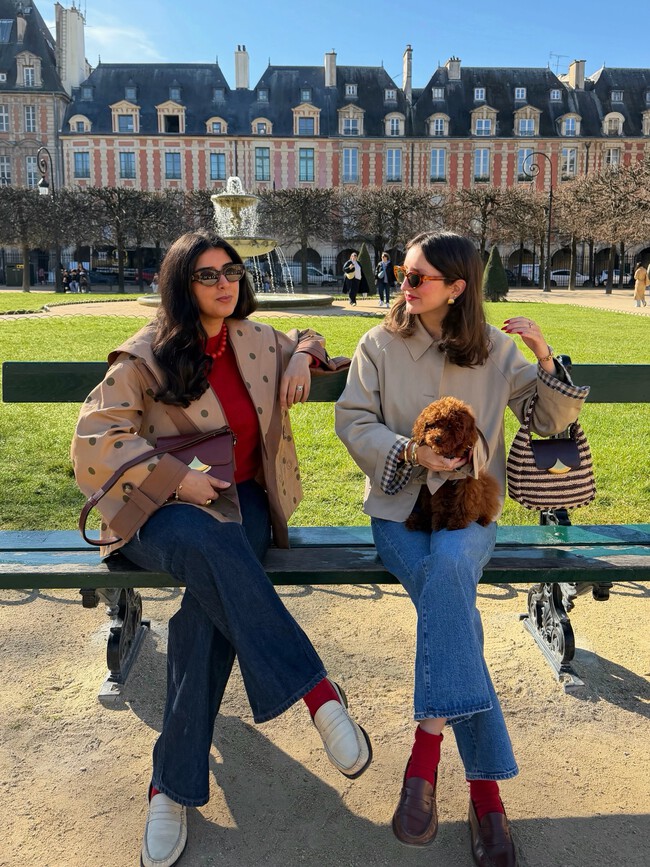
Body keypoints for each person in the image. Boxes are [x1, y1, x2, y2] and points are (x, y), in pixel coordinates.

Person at [71, 230, 371, 867]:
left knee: (205, 619)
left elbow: (312, 337)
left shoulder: (256, 339)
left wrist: (303, 354)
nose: (224, 284)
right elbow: (96, 437)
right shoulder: (147, 355)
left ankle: (169, 787)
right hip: (158, 511)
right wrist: (178, 479)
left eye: (231, 271)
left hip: (244, 503)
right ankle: (318, 695)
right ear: (182, 285)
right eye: (207, 275)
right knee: (208, 545)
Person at [335, 231, 589, 867]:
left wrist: (545, 356)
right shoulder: (378, 344)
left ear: (456, 287)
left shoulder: (498, 350)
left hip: (470, 513)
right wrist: (408, 452)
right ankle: (485, 795)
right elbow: (353, 419)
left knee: (449, 569)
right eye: (402, 273)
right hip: (398, 514)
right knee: (454, 606)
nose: (403, 285)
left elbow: (549, 420)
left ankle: (426, 751)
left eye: (416, 277)